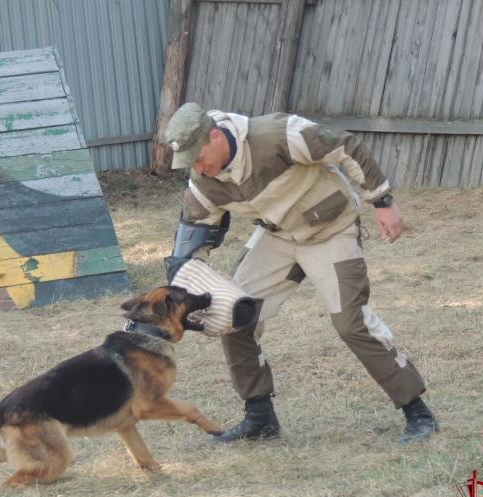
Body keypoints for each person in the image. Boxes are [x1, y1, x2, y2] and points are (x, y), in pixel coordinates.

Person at [162, 102, 438, 444]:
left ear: (215, 136)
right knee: (234, 314)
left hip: (331, 231)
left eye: (197, 157)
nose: (197, 168)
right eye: (189, 162)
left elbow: (345, 146)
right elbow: (194, 229)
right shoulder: (204, 179)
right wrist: (181, 282)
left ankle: (417, 411)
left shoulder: (276, 135)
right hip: (278, 235)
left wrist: (382, 202)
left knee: (352, 325)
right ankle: (260, 417)